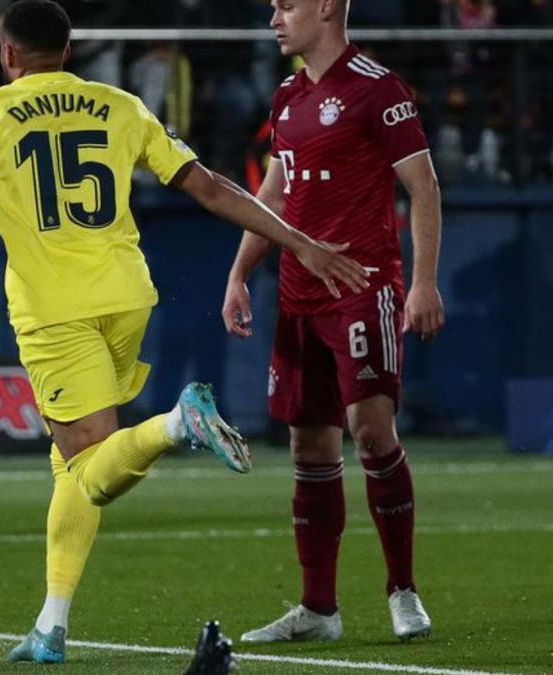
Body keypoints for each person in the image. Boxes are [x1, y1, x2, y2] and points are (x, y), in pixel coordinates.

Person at [0, 0, 369, 662]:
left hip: (54, 311)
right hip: (127, 298)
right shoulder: (118, 103)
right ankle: (52, 621)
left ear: (9, 55)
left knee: (89, 467)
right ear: (67, 52)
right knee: (67, 463)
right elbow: (211, 186)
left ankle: (178, 424)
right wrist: (297, 241)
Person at [222, 0, 443, 643]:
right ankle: (319, 610)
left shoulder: (378, 89)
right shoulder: (287, 95)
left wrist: (422, 281)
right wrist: (239, 273)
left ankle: (403, 590)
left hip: (362, 284)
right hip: (297, 294)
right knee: (308, 444)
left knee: (371, 431)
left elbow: (423, 187)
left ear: (325, 8)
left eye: (285, 6)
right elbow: (275, 193)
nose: (273, 18)